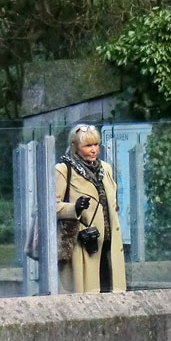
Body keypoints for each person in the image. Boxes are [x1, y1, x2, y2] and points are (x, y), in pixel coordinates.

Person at [56, 123, 126, 293]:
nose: (94, 150)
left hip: (109, 243)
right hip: (82, 242)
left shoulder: (106, 169)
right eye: (88, 145)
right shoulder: (64, 170)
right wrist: (74, 208)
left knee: (112, 292)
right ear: (75, 147)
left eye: (96, 145)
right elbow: (50, 206)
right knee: (86, 296)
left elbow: (112, 201)